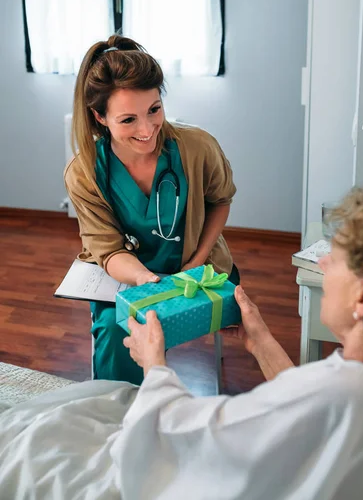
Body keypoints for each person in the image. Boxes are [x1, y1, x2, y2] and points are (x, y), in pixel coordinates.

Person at [0, 184, 363, 500]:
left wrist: (154, 364)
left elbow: (188, 436)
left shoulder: (338, 394)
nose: (325, 263)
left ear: (362, 299)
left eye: (337, 257)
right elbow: (306, 407)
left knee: (40, 436)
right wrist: (260, 341)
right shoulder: (358, 382)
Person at [64, 35, 239, 384]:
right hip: (129, 277)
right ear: (99, 117)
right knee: (119, 334)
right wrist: (149, 283)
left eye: (154, 110)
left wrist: (194, 264)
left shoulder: (198, 147)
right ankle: (124, 421)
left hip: (196, 267)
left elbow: (220, 200)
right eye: (128, 120)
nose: (147, 130)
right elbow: (109, 251)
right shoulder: (84, 173)